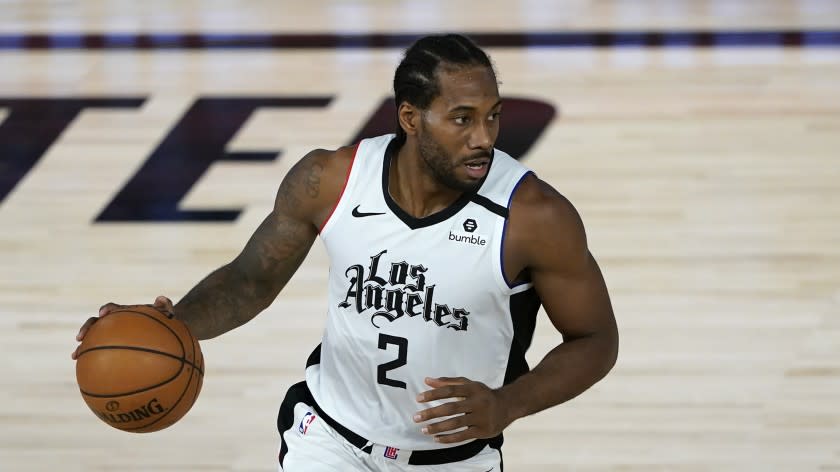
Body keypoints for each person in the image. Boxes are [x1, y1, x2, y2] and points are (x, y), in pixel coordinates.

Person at [73, 34, 618, 471]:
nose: (484, 137)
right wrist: (165, 324)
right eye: (462, 118)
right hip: (329, 441)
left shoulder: (535, 216)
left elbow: (595, 340)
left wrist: (508, 405)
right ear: (410, 118)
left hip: (453, 459)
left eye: (493, 116)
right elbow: (250, 281)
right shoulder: (330, 179)